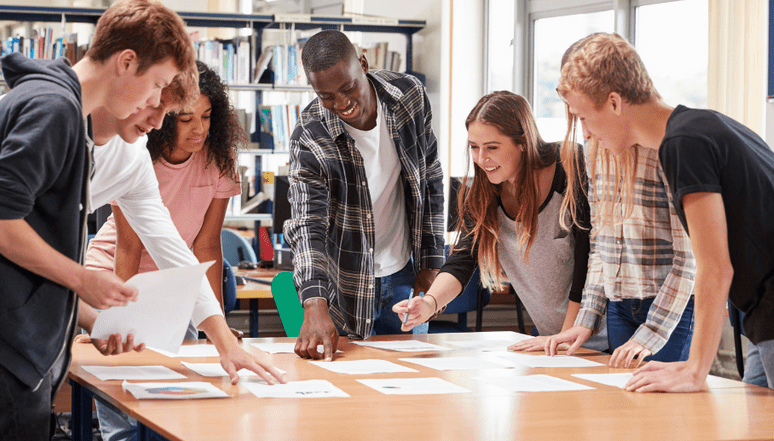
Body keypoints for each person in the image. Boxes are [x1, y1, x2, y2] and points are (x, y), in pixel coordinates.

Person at [0, 0, 196, 440]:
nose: (156, 103)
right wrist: (83, 280)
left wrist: (84, 315)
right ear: (126, 62)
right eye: (157, 85)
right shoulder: (55, 109)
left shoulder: (54, 101)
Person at [556, 32, 774, 403]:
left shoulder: (684, 145)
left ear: (615, 103)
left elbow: (714, 267)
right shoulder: (697, 127)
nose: (586, 132)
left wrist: (695, 369)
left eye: (585, 117)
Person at [84, 61, 281, 440]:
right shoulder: (138, 158)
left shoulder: (220, 162)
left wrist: (218, 332)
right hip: (114, 272)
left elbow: (204, 246)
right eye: (186, 118)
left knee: (177, 402)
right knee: (121, 396)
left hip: (173, 279)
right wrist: (121, 320)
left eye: (207, 117)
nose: (199, 129)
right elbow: (129, 245)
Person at [516, 38, 697, 368]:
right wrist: (585, 320)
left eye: (586, 117)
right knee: (625, 409)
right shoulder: (596, 152)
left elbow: (690, 258)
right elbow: (602, 246)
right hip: (618, 304)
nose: (584, 132)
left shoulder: (669, 148)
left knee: (663, 411)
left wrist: (650, 334)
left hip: (670, 305)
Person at [394, 91, 605, 352]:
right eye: (474, 147)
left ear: (523, 142)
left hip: (602, 336)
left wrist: (565, 337)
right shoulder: (485, 195)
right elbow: (462, 260)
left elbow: (588, 257)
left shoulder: (569, 166)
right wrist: (429, 303)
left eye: (492, 147)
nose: (482, 159)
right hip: (553, 339)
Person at [285, 29, 445, 360]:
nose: (341, 104)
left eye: (348, 88)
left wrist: (432, 263)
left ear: (363, 64)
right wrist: (314, 304)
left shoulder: (409, 96)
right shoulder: (310, 136)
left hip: (405, 275)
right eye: (326, 96)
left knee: (410, 384)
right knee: (344, 393)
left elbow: (430, 179)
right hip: (345, 283)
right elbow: (307, 225)